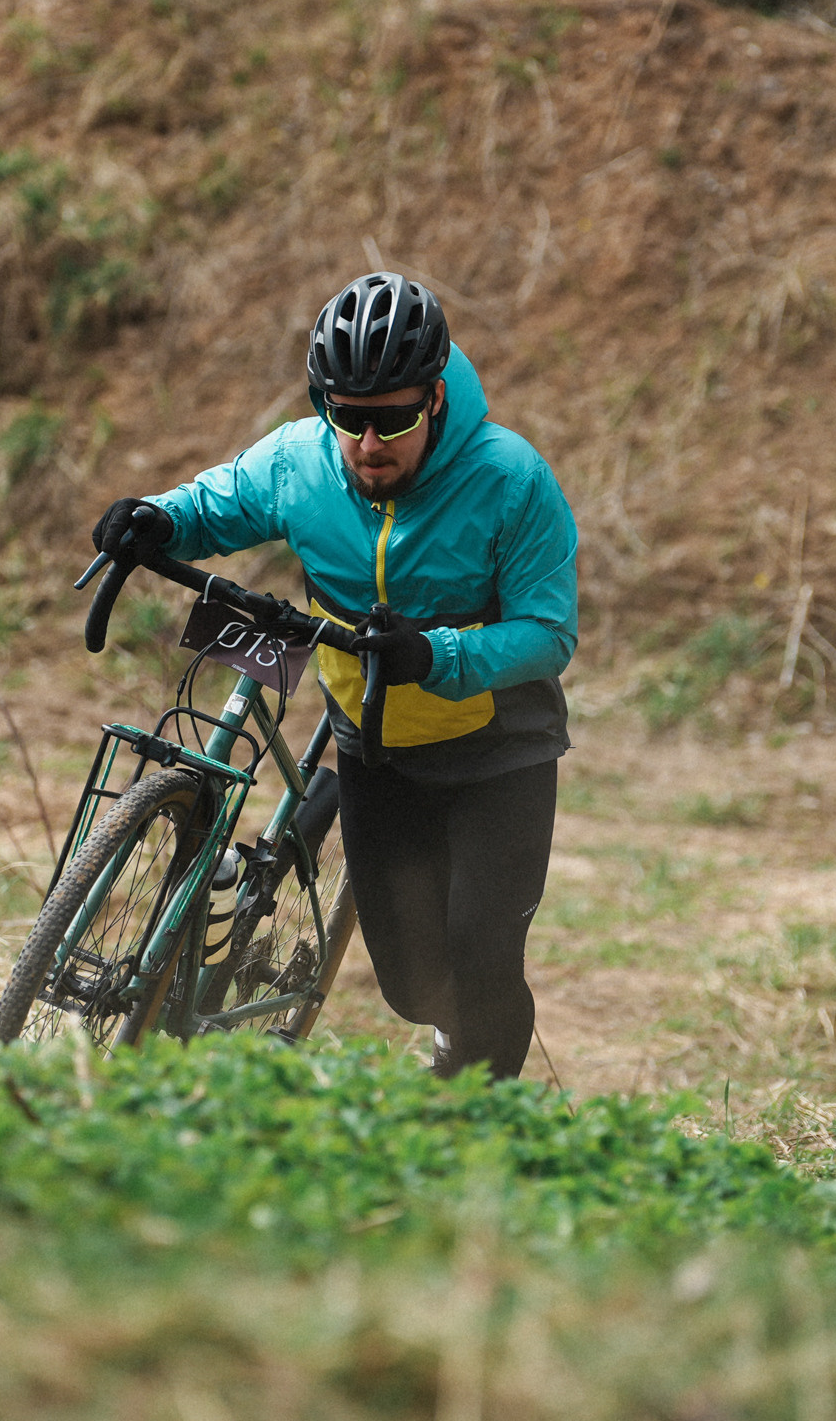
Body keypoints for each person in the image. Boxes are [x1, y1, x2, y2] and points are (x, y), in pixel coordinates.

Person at [92, 271, 579, 1080]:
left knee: (482, 956)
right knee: (414, 983)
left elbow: (548, 632)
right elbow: (222, 502)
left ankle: (479, 1121)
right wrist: (158, 517)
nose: (367, 442)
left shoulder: (510, 481)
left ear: (435, 400)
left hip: (499, 756)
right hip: (375, 748)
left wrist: (440, 654)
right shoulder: (301, 461)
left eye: (392, 418)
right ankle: (444, 1028)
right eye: (346, 416)